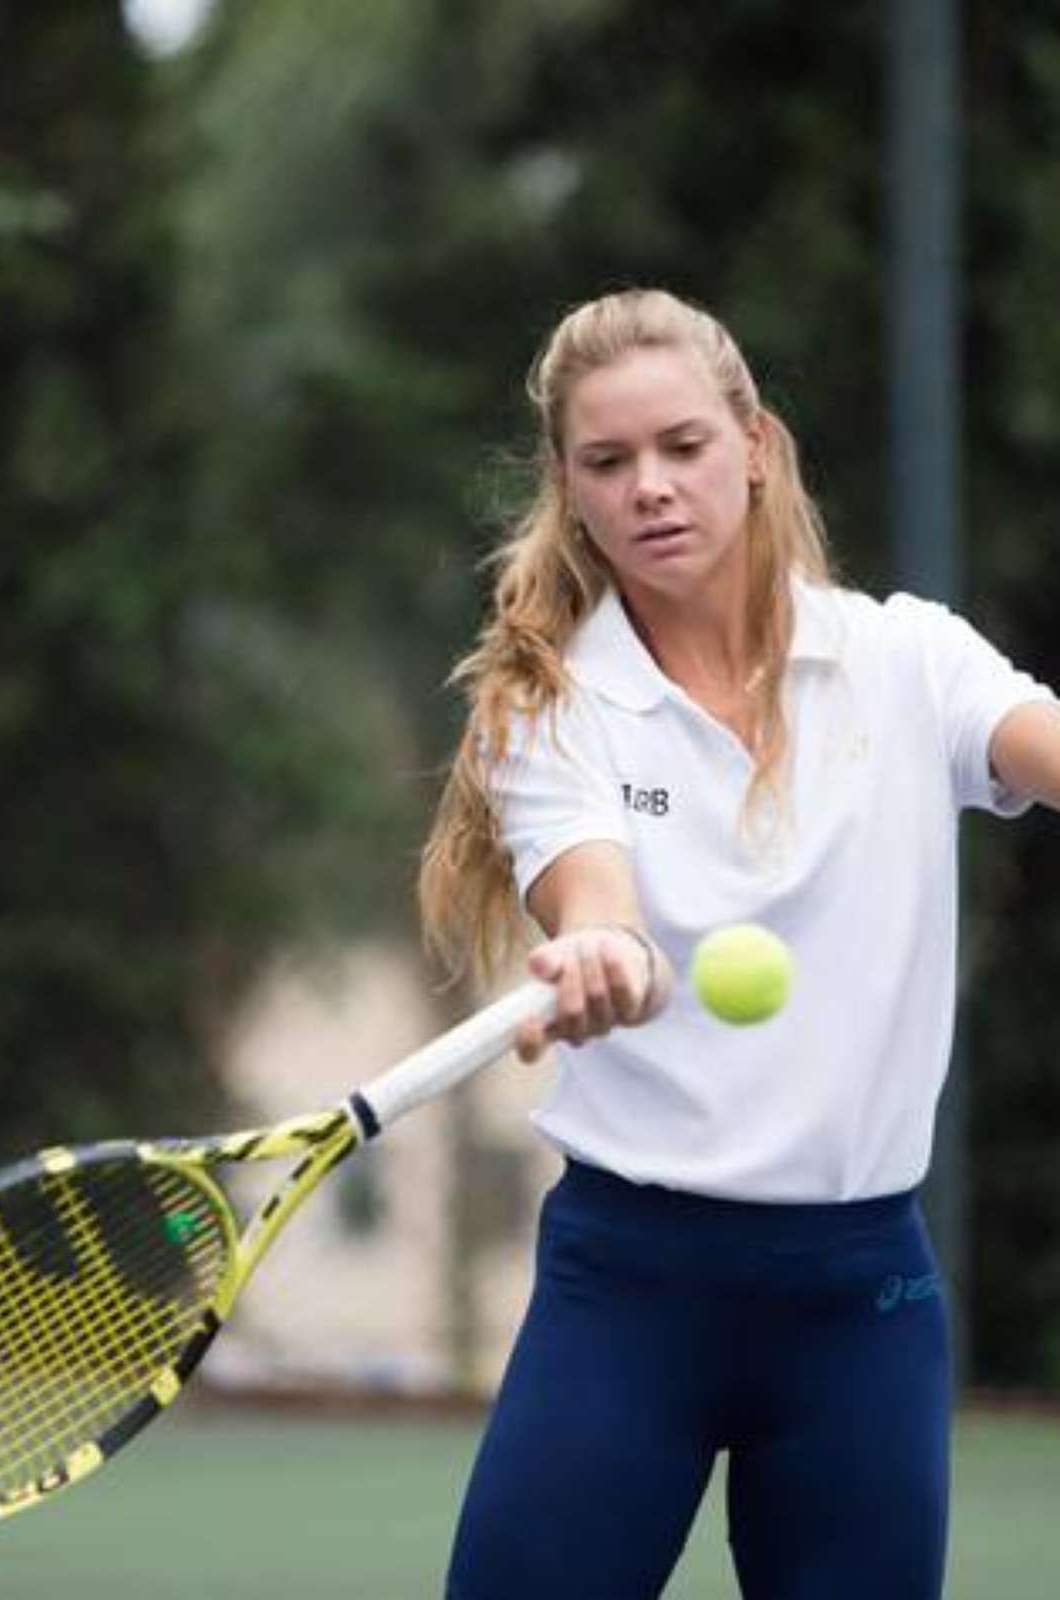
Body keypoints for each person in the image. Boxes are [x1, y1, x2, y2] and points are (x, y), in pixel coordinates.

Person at [418, 287, 1060, 1600]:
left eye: (683, 447)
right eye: (609, 461)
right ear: (571, 488)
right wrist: (605, 953)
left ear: (753, 444)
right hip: (629, 1290)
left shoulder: (910, 663)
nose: (651, 487)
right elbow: (594, 895)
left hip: (862, 1301)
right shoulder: (544, 708)